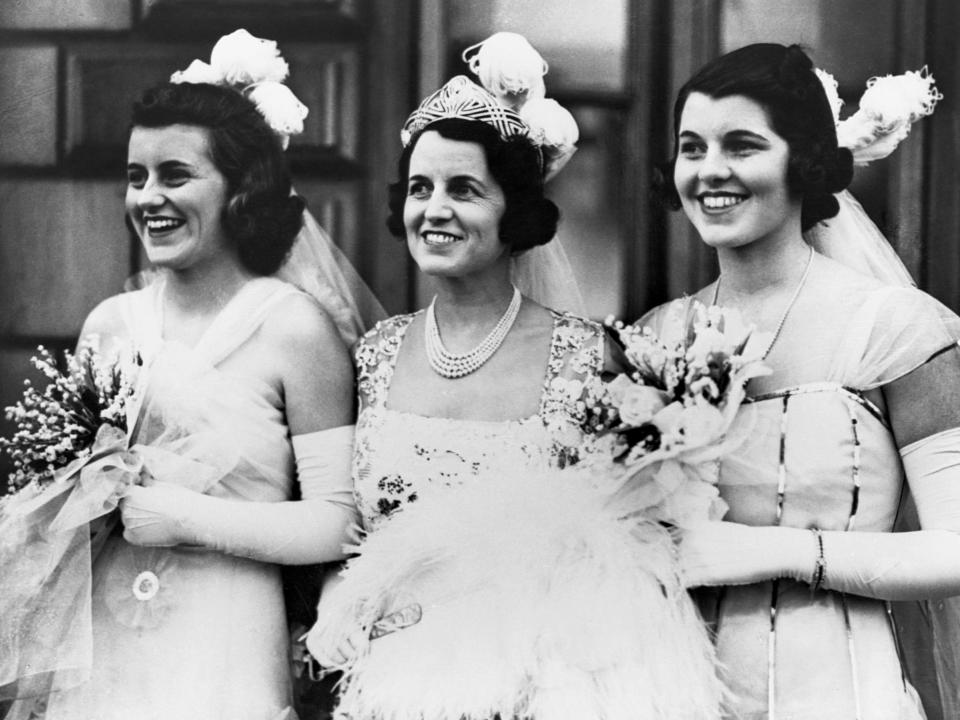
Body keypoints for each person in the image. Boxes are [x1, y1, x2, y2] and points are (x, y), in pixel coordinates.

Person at [306, 34, 724, 720]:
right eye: (419, 189)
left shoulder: (590, 357)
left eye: (464, 189)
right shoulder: (375, 353)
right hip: (393, 682)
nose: (434, 209)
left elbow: (624, 554)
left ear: (515, 213)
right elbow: (344, 528)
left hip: (541, 682)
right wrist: (343, 617)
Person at [3, 31, 377, 720]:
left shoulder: (295, 328)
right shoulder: (108, 325)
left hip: (226, 646)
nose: (148, 197)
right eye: (136, 176)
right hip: (109, 651)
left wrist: (184, 518)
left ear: (242, 188)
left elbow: (338, 522)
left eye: (175, 175)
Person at [645, 42, 960, 719]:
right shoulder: (657, 337)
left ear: (805, 161)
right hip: (678, 694)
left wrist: (767, 552)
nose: (710, 171)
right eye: (691, 147)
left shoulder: (894, 328)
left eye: (742, 145)